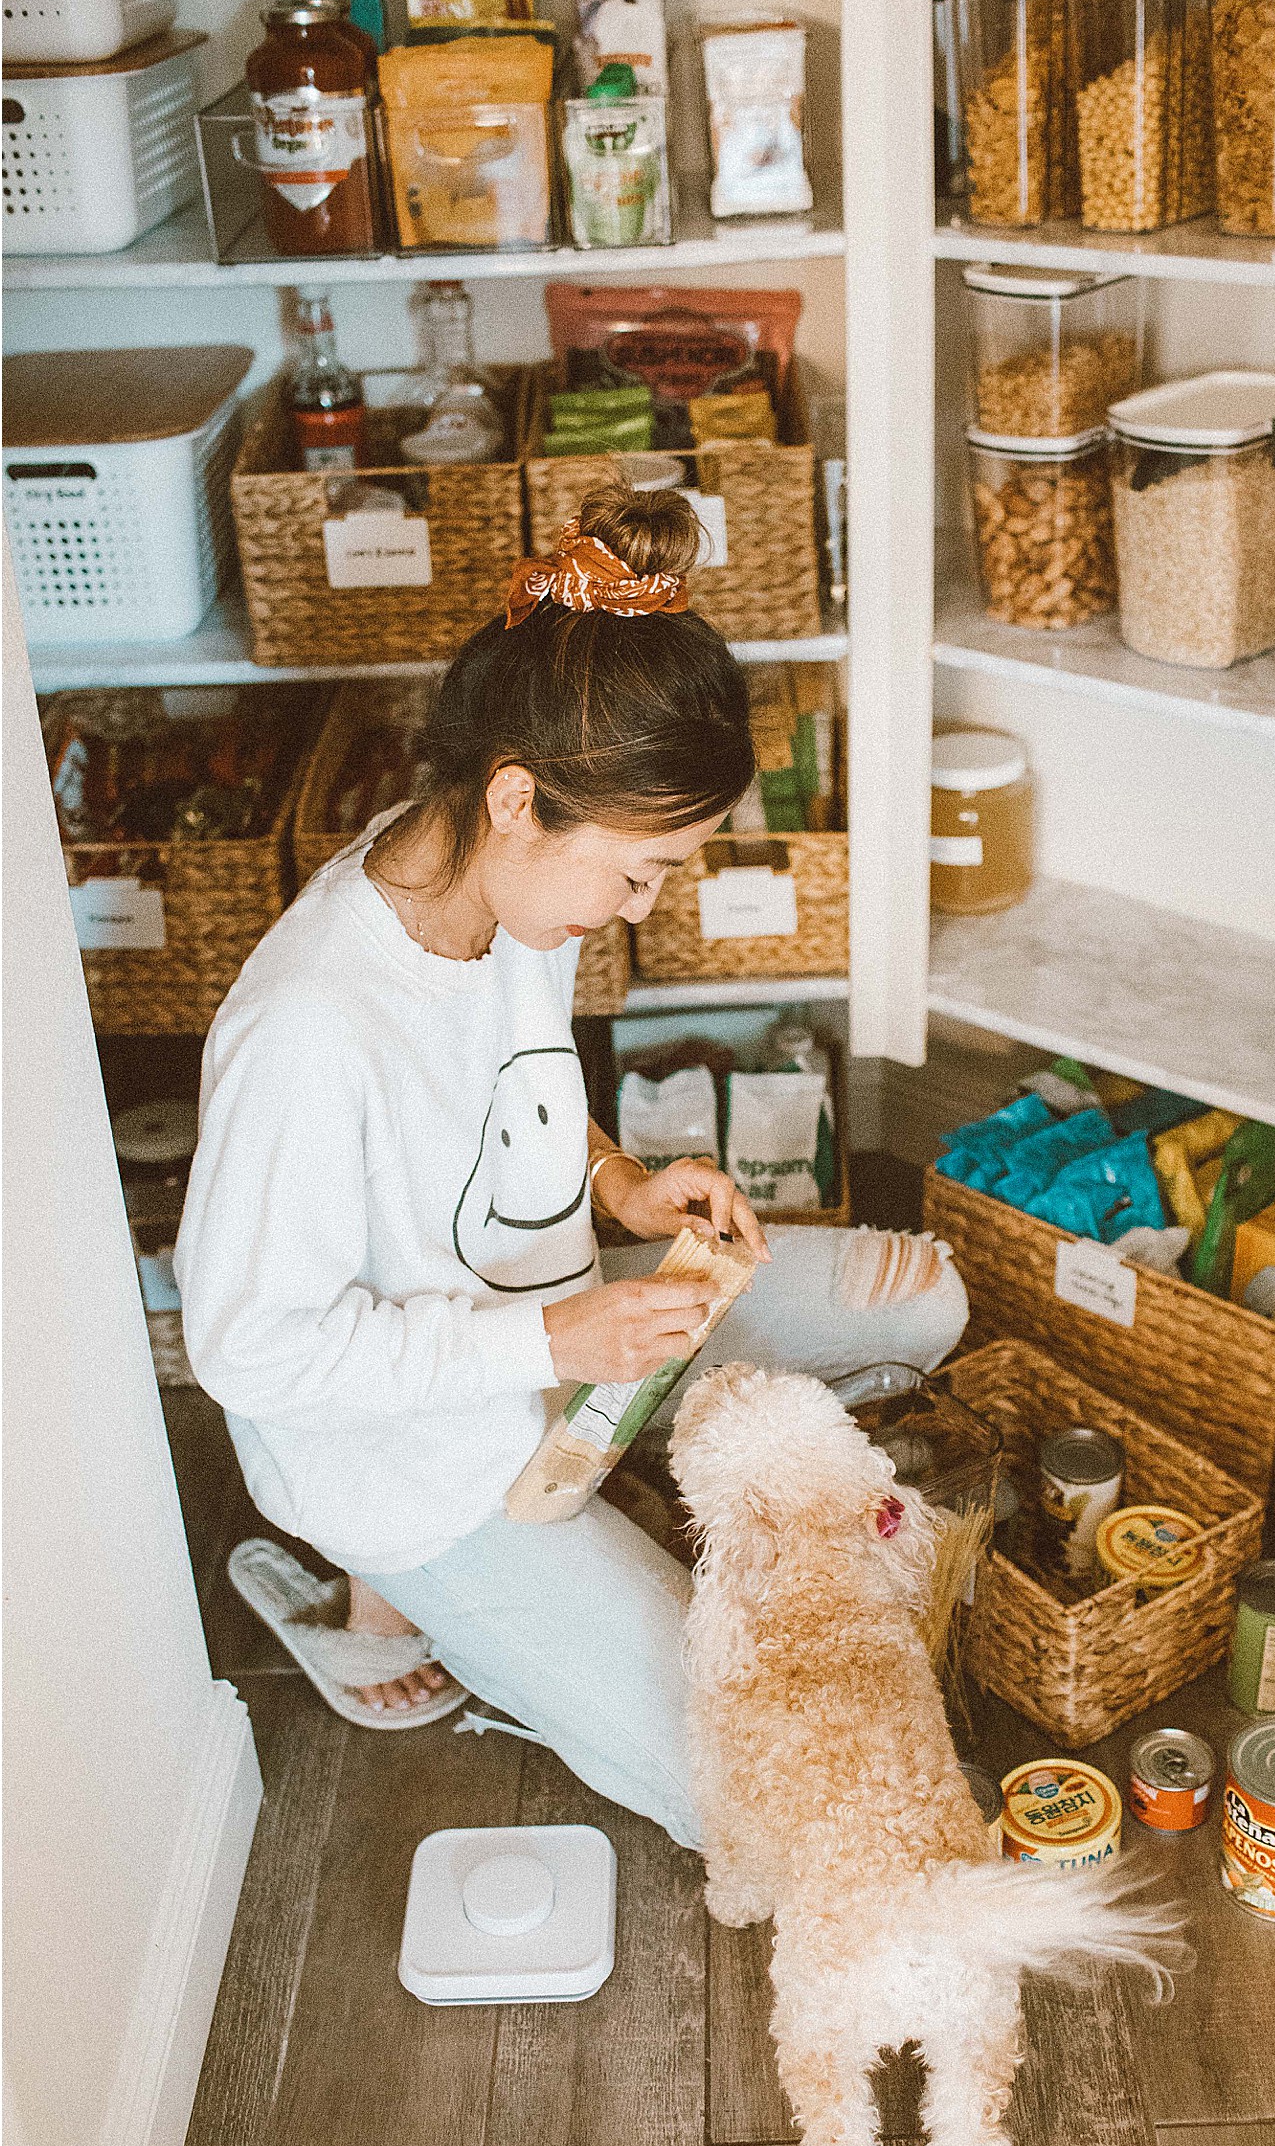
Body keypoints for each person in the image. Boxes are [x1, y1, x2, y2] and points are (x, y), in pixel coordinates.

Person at [175, 486, 967, 1852]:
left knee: (928, 1300)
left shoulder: (510, 888)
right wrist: (561, 1331)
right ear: (515, 797)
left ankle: (624, 1474)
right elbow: (249, 1352)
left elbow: (511, 1091)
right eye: (642, 870)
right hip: (425, 1459)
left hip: (562, 1323)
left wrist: (620, 1183)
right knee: (761, 1806)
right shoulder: (308, 1027)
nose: (645, 906)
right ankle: (400, 1580)